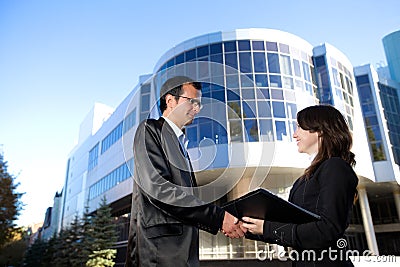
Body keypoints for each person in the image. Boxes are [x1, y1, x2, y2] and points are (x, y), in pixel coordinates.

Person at [125, 76, 246, 267]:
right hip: (159, 254)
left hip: (184, 253)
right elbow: (160, 190)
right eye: (192, 102)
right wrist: (218, 217)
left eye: (199, 104)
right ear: (170, 101)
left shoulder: (180, 144)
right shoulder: (150, 130)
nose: (196, 109)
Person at [242, 105, 358, 266]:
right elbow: (292, 228)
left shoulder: (335, 167)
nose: (295, 135)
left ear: (320, 130)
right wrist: (246, 226)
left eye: (300, 127)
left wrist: (266, 228)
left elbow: (328, 229)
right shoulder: (303, 180)